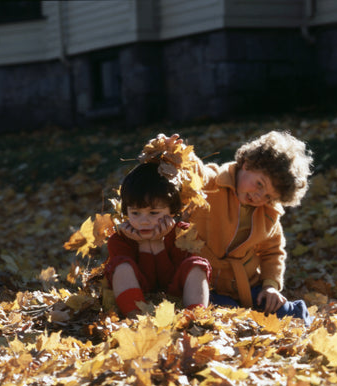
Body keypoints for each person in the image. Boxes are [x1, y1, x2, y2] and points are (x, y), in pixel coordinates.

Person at [162, 130, 313, 324]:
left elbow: (272, 252)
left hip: (247, 287)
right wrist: (178, 153)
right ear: (247, 164)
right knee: (226, 315)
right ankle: (239, 319)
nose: (259, 197)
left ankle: (296, 315)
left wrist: (270, 286)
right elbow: (196, 171)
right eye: (259, 184)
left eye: (268, 196)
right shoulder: (213, 182)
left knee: (282, 312)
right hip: (206, 285)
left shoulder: (268, 215)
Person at [104, 162, 211, 317]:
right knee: (120, 266)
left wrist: (158, 244)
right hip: (139, 297)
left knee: (196, 265)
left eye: (153, 213)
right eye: (135, 213)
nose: (144, 221)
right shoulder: (120, 240)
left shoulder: (183, 234)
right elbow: (149, 284)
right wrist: (143, 245)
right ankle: (136, 318)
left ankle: (195, 317)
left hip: (177, 298)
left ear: (172, 211)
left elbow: (165, 283)